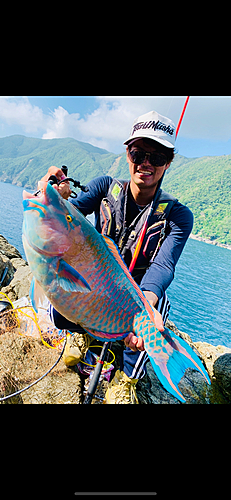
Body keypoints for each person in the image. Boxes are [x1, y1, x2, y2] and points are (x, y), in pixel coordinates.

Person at [41, 110, 193, 404]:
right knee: (58, 313)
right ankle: (90, 335)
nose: (146, 163)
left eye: (157, 156)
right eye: (139, 153)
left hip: (140, 293)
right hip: (100, 284)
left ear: (169, 163)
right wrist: (52, 194)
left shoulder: (178, 216)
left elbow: (163, 265)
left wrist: (144, 312)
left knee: (143, 344)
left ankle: (124, 377)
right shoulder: (104, 187)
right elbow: (64, 218)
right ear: (128, 154)